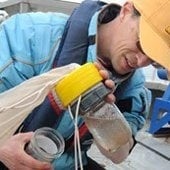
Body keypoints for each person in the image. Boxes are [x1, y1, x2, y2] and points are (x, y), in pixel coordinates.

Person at [0, 0, 169, 169]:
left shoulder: (134, 86)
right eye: (141, 45)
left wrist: (100, 113)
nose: (140, 61)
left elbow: (119, 155)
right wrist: (3, 150)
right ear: (126, 11)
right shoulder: (29, 36)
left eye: (153, 61)